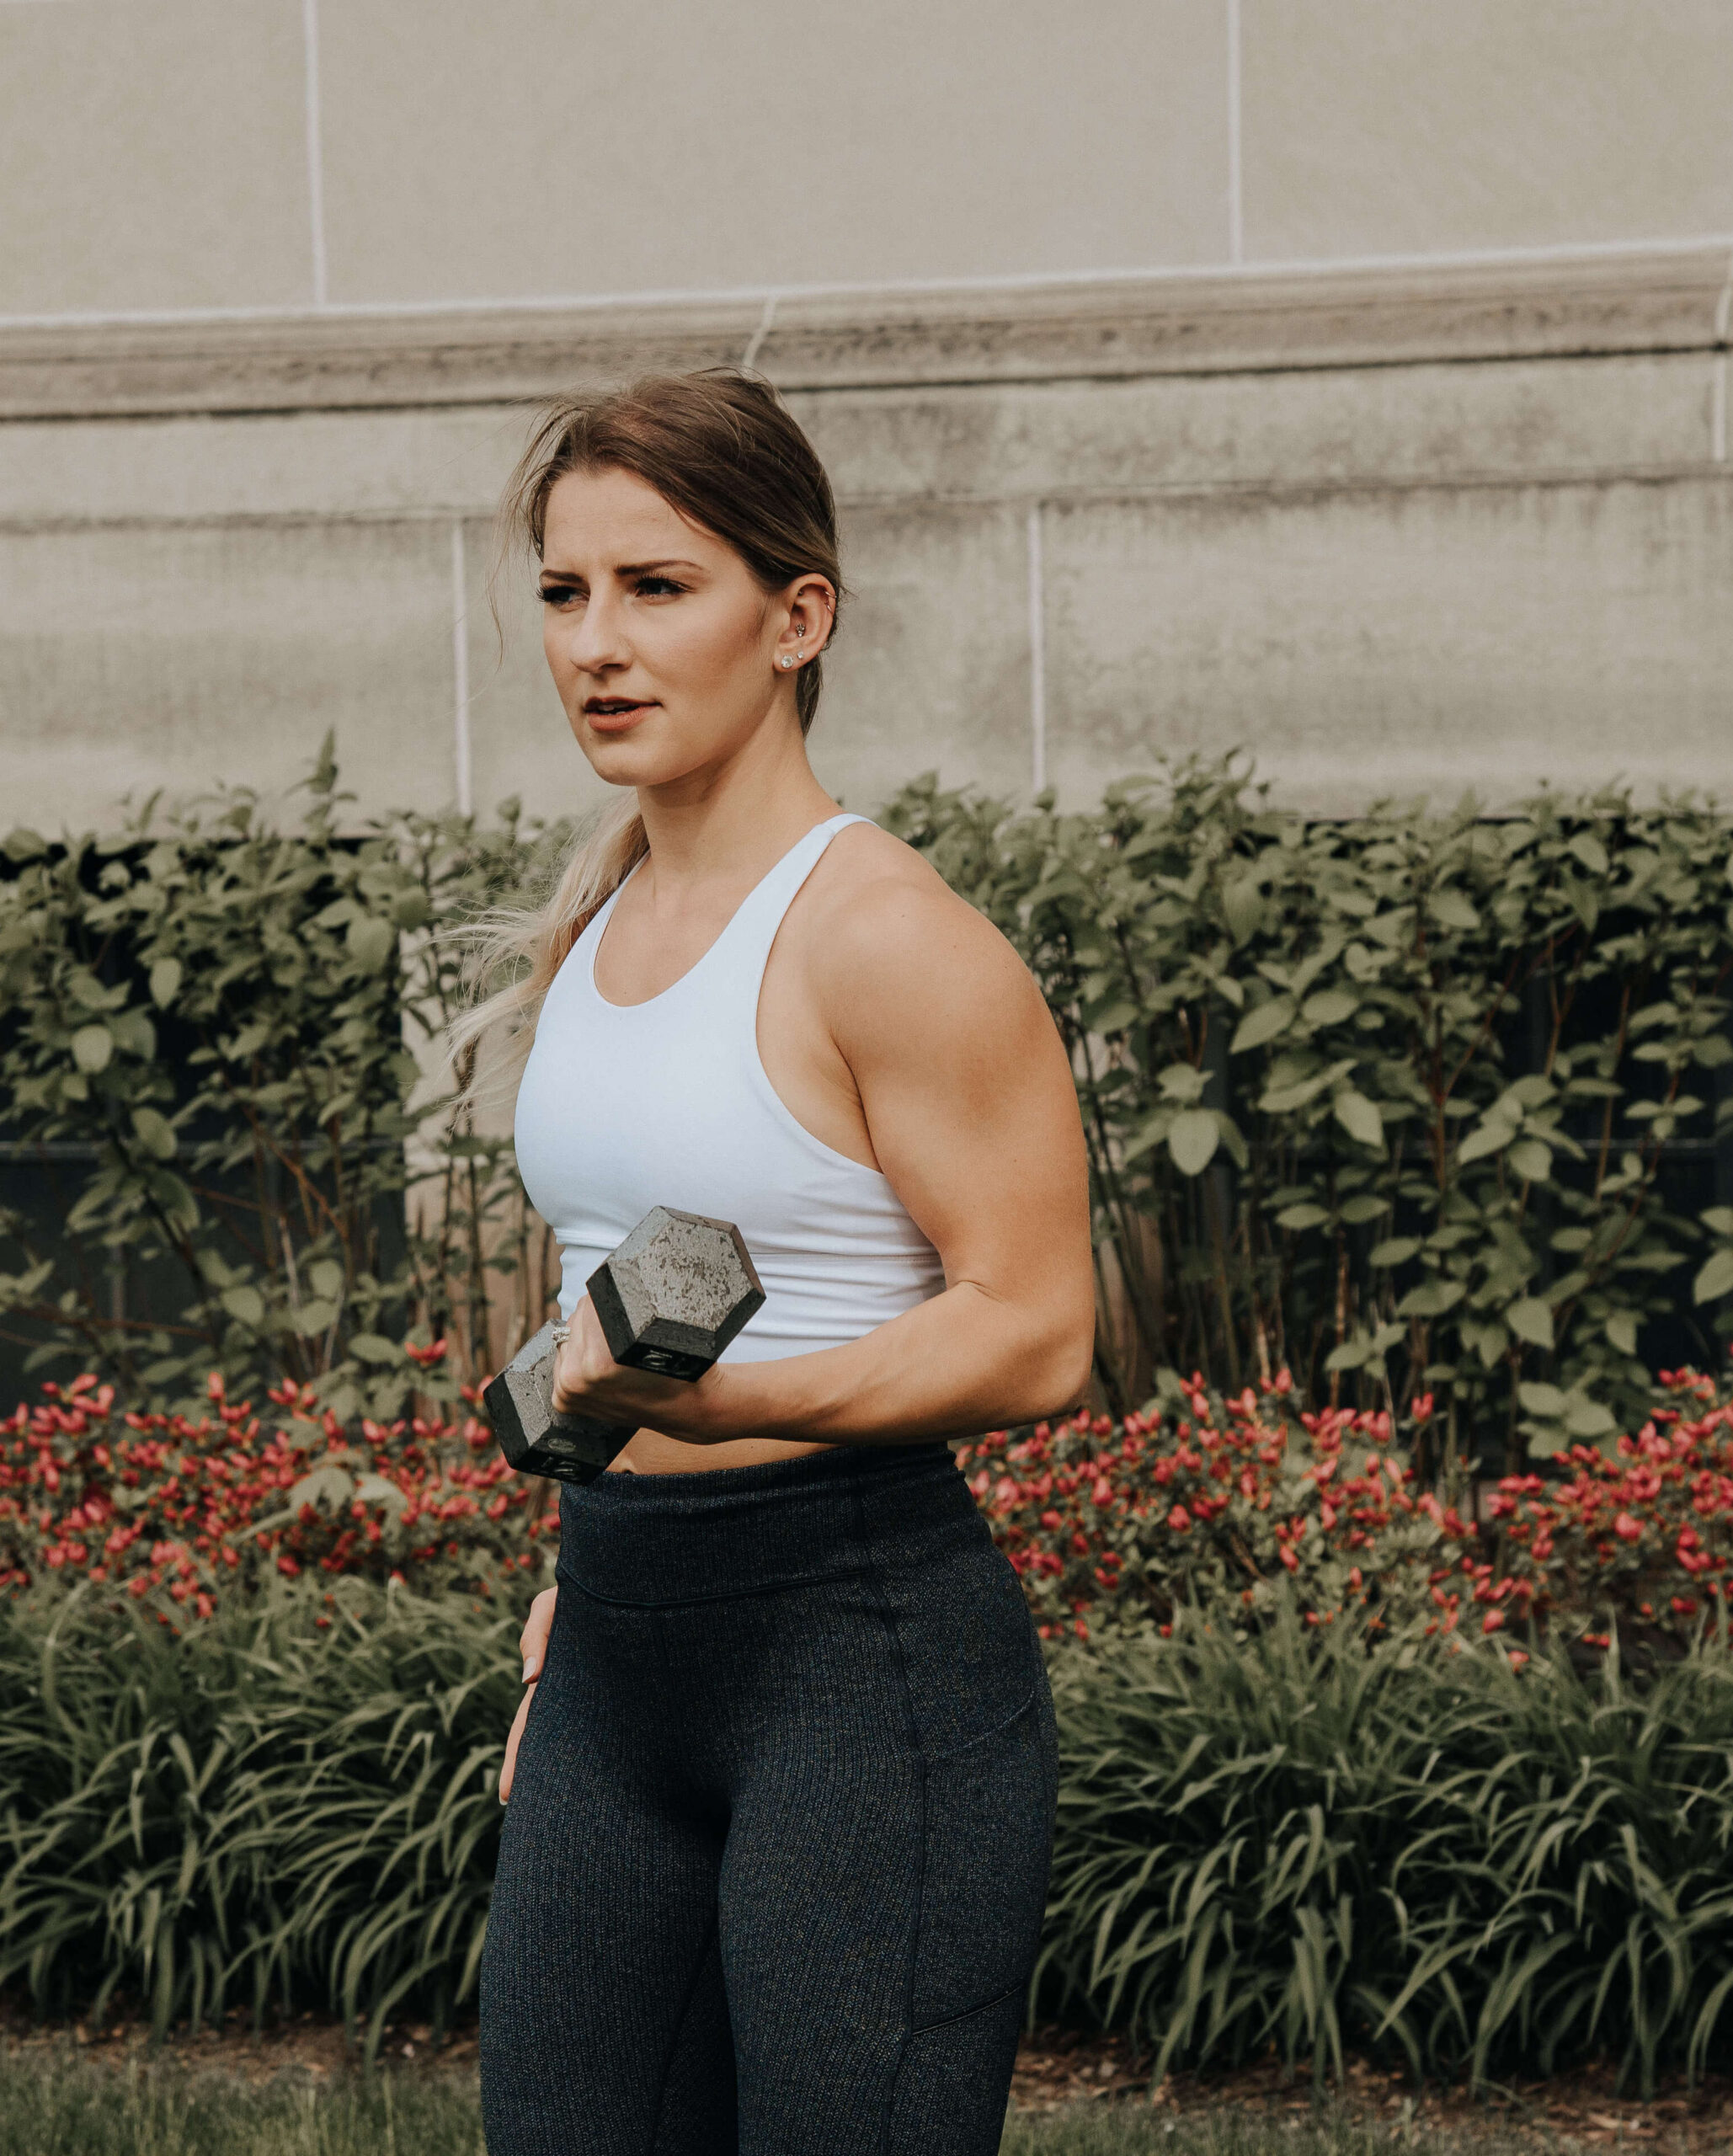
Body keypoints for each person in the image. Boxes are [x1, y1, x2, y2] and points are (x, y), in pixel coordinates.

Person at [453, 369, 1095, 2156]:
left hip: (856, 1662)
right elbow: (604, 1309)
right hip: (613, 1659)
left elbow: (1037, 1334)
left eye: (659, 587)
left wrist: (732, 1400)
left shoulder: (889, 939)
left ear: (794, 615)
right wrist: (557, 1629)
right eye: (565, 591)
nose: (599, 641)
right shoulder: (598, 924)